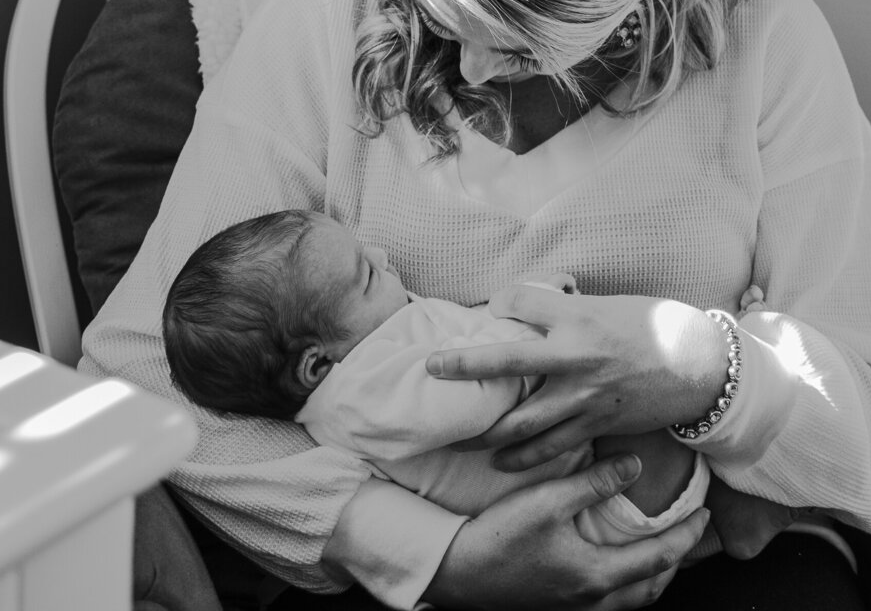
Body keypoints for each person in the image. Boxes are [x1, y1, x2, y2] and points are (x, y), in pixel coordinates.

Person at [81, 0, 871, 610]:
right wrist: (435, 556)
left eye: (519, 50)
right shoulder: (335, 11)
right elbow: (136, 367)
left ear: (635, 11)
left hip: (701, 564)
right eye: (441, 18)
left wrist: (702, 373)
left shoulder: (770, 44)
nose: (476, 75)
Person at [162, 208, 708, 542]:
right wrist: (533, 336)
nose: (382, 256)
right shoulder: (359, 400)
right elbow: (470, 402)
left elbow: (458, 337)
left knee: (651, 364)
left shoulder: (369, 357)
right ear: (317, 363)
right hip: (588, 517)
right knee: (656, 377)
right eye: (367, 274)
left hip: (581, 477)